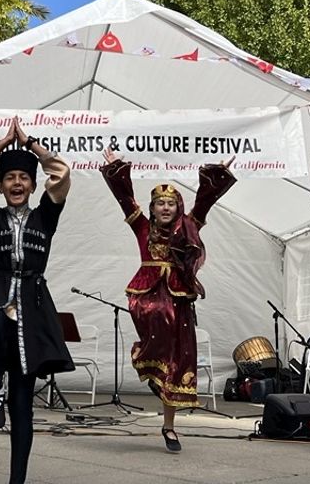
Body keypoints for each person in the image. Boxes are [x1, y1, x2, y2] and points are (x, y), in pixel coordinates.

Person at [100, 148, 235, 452]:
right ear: (152, 207)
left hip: (178, 297)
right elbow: (125, 200)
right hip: (148, 293)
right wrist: (117, 172)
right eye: (159, 203)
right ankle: (147, 359)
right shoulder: (142, 227)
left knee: (178, 362)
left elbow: (205, 201)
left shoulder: (188, 226)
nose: (165, 207)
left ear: (178, 206)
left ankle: (169, 427)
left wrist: (216, 177)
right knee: (157, 316)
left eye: (170, 203)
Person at [0, 118, 73, 484]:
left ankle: (17, 479)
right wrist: (0, 147)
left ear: (32, 185)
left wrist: (30, 145)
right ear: (1, 184)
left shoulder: (47, 214)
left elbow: (61, 172)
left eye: (23, 178)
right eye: (10, 178)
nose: (16, 183)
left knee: (23, 404)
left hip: (33, 304)